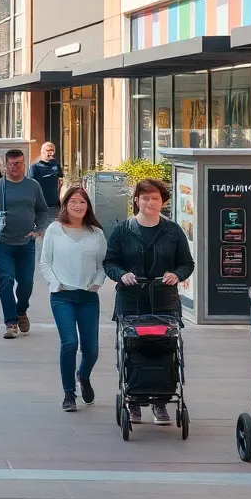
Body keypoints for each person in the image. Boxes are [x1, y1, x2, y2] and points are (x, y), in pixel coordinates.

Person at [103, 178, 195, 426]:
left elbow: (187, 263)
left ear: (162, 201)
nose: (150, 202)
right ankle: (133, 401)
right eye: (145, 197)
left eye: (155, 198)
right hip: (131, 301)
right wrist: (122, 274)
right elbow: (110, 262)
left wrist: (177, 274)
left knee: (164, 349)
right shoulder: (123, 230)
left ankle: (161, 401)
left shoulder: (173, 230)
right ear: (136, 200)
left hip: (164, 302)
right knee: (132, 350)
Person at [39, 186, 108, 412]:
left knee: (91, 351)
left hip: (88, 297)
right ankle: (69, 393)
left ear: (88, 206)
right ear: (65, 205)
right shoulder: (54, 229)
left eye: (82, 202)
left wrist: (97, 282)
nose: (78, 206)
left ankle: (83, 375)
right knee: (69, 342)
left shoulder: (96, 234)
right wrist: (55, 283)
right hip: (62, 296)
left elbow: (102, 264)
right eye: (73, 202)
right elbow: (45, 262)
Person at [0, 148, 51, 339]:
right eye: (11, 164)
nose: (14, 167)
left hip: (26, 242)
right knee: (6, 281)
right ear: (5, 165)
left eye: (18, 163)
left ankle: (21, 311)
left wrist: (39, 228)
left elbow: (43, 210)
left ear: (24, 164)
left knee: (26, 283)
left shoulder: (33, 186)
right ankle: (11, 323)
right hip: (2, 242)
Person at [28, 142, 64, 208]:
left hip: (54, 204)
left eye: (52, 151)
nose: (50, 153)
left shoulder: (56, 165)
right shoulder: (35, 167)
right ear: (42, 151)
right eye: (48, 150)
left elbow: (61, 181)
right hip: (40, 204)